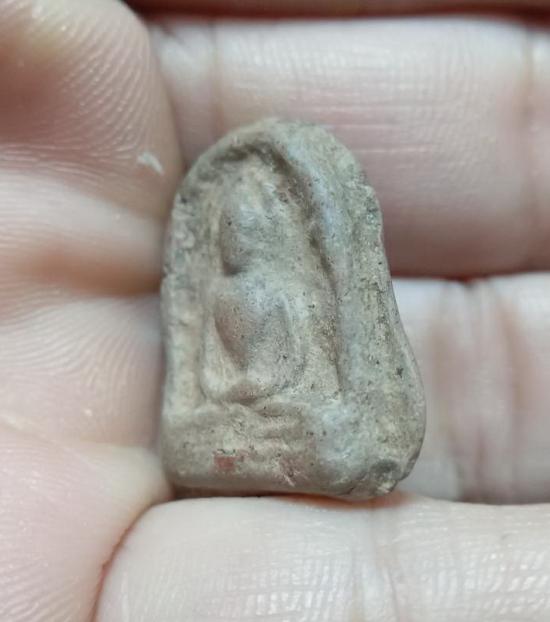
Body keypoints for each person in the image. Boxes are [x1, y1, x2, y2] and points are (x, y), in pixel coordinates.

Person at [1, 0, 549, 619]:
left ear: (267, 235)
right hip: (239, 411)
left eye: (245, 228)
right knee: (199, 436)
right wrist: (235, 396)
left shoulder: (284, 293)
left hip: (285, 409)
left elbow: (298, 369)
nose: (233, 240)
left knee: (324, 429)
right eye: (226, 230)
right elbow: (212, 376)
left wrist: (268, 398)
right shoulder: (221, 294)